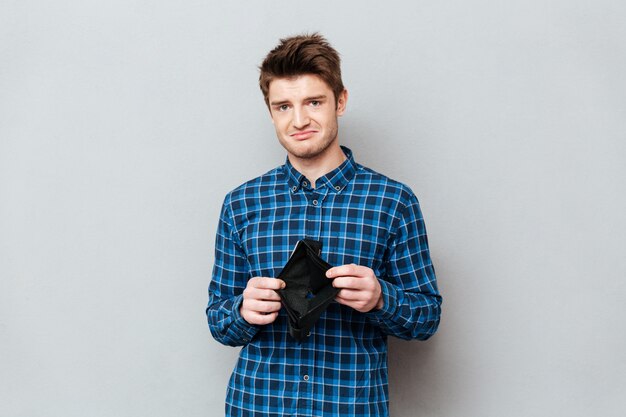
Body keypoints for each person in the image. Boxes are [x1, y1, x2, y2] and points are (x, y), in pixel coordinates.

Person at [206, 33, 442, 416]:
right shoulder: (241, 204)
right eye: (283, 106)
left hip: (349, 406)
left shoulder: (393, 201)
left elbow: (427, 316)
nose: (299, 120)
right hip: (258, 406)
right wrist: (241, 311)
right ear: (270, 112)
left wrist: (382, 297)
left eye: (313, 102)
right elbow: (218, 320)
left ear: (341, 101)